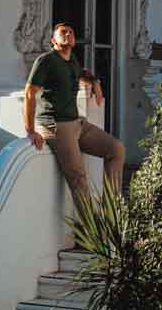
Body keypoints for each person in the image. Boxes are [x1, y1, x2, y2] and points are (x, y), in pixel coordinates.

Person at [24, 21, 125, 196]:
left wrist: (94, 82)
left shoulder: (72, 61)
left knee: (116, 149)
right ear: (53, 40)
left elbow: (81, 74)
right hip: (57, 126)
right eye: (63, 32)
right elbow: (29, 93)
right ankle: (90, 223)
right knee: (78, 178)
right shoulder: (46, 60)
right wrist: (31, 130)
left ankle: (112, 214)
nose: (68, 34)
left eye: (71, 32)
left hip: (78, 124)